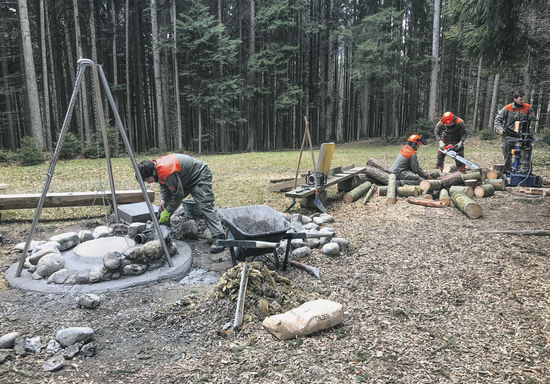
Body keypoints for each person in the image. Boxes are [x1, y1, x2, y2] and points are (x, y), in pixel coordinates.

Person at [137, 154, 225, 253]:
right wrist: (164, 199)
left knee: (205, 205)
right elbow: (163, 184)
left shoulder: (167, 170)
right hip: (184, 178)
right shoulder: (155, 167)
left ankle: (220, 238)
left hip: (199, 175)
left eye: (148, 179)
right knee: (164, 205)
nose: (148, 182)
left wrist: (168, 211)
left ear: (152, 172)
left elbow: (178, 195)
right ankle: (163, 234)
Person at [494, 91, 536, 175]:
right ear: (515, 99)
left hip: (523, 136)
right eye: (520, 99)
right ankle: (507, 172)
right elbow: (497, 120)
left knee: (524, 154)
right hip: (509, 135)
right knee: (507, 154)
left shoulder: (528, 107)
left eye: (523, 99)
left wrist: (530, 132)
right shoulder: (507, 108)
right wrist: (500, 129)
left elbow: (532, 120)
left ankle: (523, 172)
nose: (522, 101)